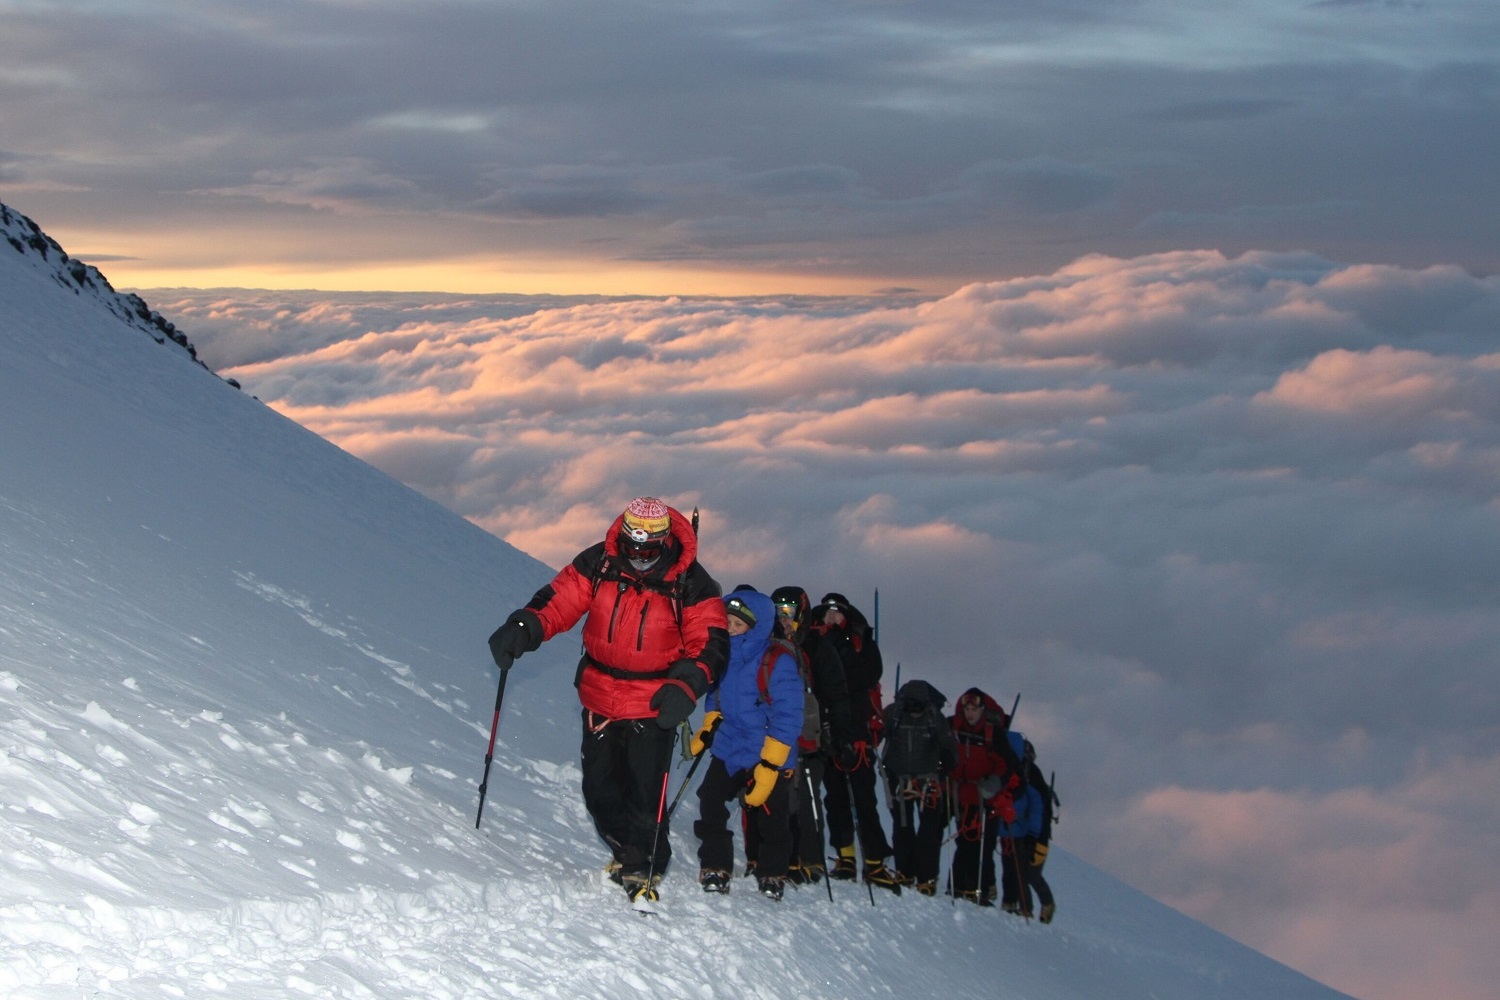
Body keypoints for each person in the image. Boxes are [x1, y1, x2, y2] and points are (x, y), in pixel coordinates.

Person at [487, 497, 728, 904]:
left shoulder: (690, 581)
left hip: (654, 701)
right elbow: (561, 599)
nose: (638, 559)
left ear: (665, 542)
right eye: (632, 549)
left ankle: (642, 864)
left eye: (648, 552)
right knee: (600, 790)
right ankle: (626, 850)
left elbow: (710, 643)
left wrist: (686, 686)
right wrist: (524, 627)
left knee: (644, 791)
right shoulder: (601, 562)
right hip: (600, 693)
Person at [689, 589, 803, 900]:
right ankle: (715, 865)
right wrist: (710, 723)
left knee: (772, 816)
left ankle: (773, 873)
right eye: (726, 621)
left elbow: (790, 715)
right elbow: (716, 695)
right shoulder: (722, 656)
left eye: (737, 624)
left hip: (766, 752)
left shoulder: (777, 661)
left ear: (756, 627)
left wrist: (771, 763)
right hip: (729, 748)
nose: (729, 627)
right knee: (710, 799)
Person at [808, 593, 898, 890]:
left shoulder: (859, 644)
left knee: (864, 798)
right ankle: (845, 856)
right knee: (834, 796)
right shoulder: (817, 642)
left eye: (836, 613)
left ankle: (874, 861)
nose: (831, 618)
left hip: (858, 732)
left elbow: (870, 674)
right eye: (827, 613)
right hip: (829, 729)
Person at [769, 585, 852, 886]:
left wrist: (837, 732)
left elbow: (837, 693)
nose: (784, 618)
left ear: (801, 613)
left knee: (805, 796)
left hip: (812, 736)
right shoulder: (769, 644)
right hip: (778, 732)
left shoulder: (817, 647)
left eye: (789, 611)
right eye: (778, 611)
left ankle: (811, 858)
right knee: (780, 796)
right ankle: (784, 858)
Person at [880, 679, 957, 895]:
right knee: (908, 828)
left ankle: (921, 875)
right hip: (902, 778)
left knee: (924, 832)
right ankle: (916, 874)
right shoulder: (899, 714)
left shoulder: (930, 718)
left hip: (926, 780)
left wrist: (948, 758)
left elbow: (949, 746)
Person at [947, 688, 1017, 905]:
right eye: (967, 709)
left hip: (985, 797)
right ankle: (962, 888)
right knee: (966, 841)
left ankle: (975, 889)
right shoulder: (955, 728)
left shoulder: (992, 733)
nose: (970, 714)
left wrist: (995, 782)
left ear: (982, 711)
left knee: (979, 845)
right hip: (963, 794)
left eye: (974, 710)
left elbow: (1010, 763)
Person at [996, 730, 1055, 921]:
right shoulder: (1025, 771)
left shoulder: (1028, 774)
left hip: (1022, 831)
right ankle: (1018, 906)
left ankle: (1027, 908)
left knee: (1026, 873)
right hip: (1014, 829)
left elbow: (1038, 807)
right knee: (1015, 870)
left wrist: (1034, 834)